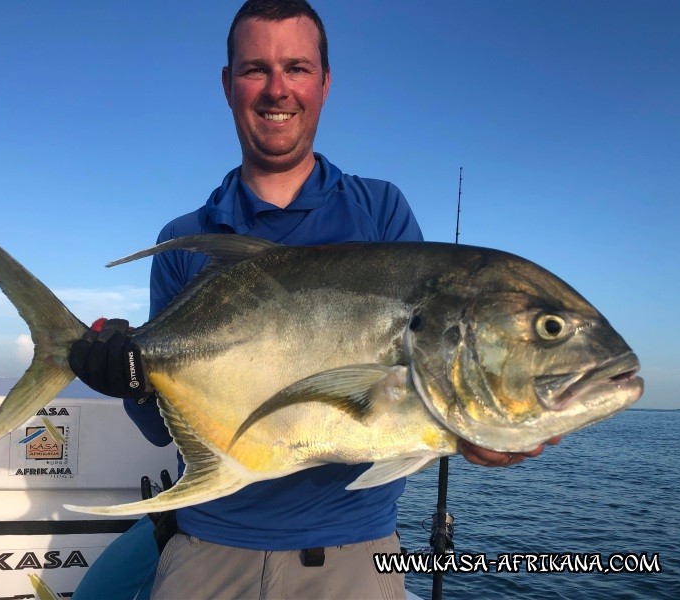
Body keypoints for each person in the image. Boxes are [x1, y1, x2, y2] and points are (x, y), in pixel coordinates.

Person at [70, 1, 557, 598]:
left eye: (296, 68)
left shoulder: (380, 212)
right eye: (255, 69)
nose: (278, 90)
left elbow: (419, 387)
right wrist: (127, 375)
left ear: (324, 83)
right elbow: (158, 427)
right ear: (228, 85)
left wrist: (481, 430)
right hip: (206, 550)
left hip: (353, 558)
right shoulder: (183, 240)